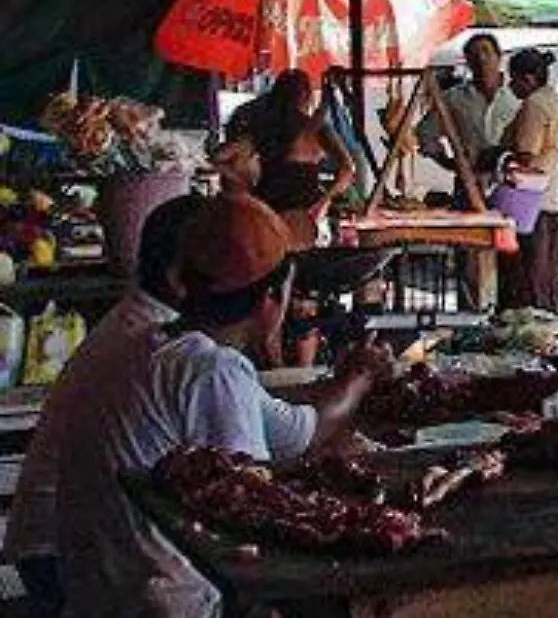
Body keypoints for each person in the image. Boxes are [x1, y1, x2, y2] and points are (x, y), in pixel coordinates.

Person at [53, 191, 388, 618]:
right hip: (162, 604)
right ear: (270, 300)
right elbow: (258, 519)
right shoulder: (209, 370)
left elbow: (299, 429)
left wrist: (356, 380)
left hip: (97, 592)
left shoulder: (149, 344)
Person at [4, 193, 202, 618]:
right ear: (179, 276)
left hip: (58, 541)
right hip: (58, 554)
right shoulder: (158, 345)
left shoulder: (141, 324)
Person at [242, 70, 356, 248]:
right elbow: (348, 169)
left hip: (266, 208)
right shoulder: (317, 128)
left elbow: (231, 160)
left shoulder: (262, 128)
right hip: (306, 212)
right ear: (306, 96)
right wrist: (324, 201)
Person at [496, 48, 558, 315]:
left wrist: (499, 158)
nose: (510, 86)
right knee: (549, 279)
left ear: (526, 79)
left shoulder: (534, 105)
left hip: (529, 204)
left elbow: (526, 155)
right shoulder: (555, 100)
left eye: (513, 80)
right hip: (550, 200)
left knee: (529, 279)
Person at [417, 33, 521, 185]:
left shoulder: (517, 95)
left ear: (499, 56)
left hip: (512, 184)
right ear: (467, 62)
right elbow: (425, 132)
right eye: (474, 54)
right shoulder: (454, 98)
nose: (481, 58)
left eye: (486, 51)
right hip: (470, 184)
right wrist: (448, 162)